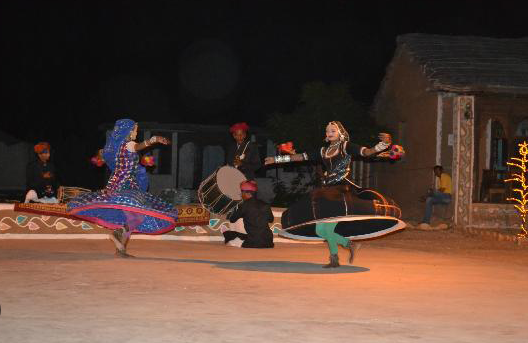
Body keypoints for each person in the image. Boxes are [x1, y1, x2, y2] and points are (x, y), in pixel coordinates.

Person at [265, 121, 403, 268]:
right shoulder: (323, 150)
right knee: (320, 229)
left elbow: (367, 152)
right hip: (327, 190)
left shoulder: (346, 146)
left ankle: (334, 258)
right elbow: (300, 157)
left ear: (341, 133)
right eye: (327, 131)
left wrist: (383, 144)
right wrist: (276, 159)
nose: (329, 133)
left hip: (341, 190)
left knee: (326, 227)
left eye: (333, 130)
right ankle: (347, 245)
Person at [67, 119, 178, 257]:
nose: (136, 132)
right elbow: (138, 147)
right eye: (135, 129)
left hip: (125, 184)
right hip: (122, 185)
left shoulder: (121, 146)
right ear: (128, 131)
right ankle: (118, 235)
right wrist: (154, 139)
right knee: (136, 216)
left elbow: (130, 162)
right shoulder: (129, 144)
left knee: (135, 217)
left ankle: (120, 248)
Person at [223, 180, 274, 248]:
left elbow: (232, 220)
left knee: (228, 234)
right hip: (268, 242)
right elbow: (271, 220)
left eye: (242, 192)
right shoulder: (266, 205)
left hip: (253, 243)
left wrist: (236, 208)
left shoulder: (244, 205)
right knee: (250, 235)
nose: (241, 194)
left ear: (247, 193)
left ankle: (238, 242)